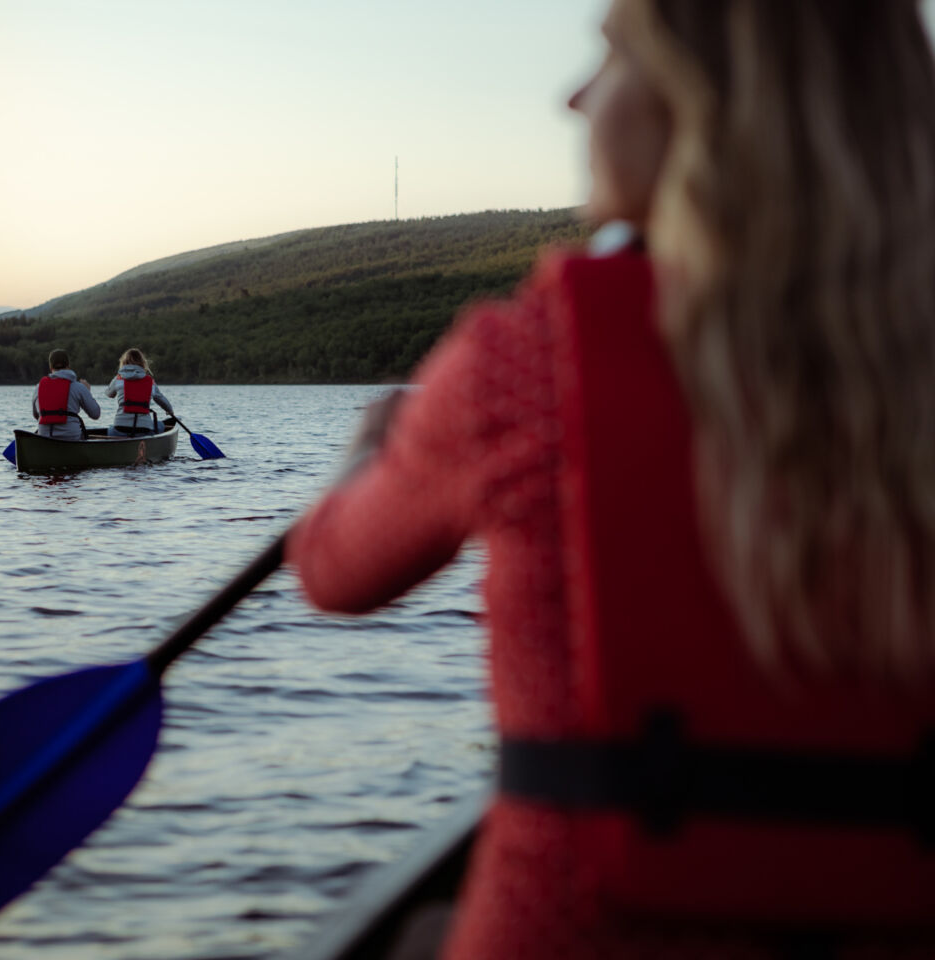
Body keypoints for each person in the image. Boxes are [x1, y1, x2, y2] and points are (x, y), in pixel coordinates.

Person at [288, 1, 935, 957]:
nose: (575, 97)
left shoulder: (523, 362)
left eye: (612, 57)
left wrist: (369, 455)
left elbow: (332, 570)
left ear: (699, 101)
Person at [104, 348, 174, 437]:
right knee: (160, 425)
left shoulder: (118, 379)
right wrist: (170, 410)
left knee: (110, 429)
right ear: (143, 363)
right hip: (144, 429)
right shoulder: (150, 382)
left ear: (124, 362)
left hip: (120, 428)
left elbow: (109, 394)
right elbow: (161, 399)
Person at [32, 349, 100, 441]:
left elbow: (36, 416)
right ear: (68, 365)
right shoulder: (78, 387)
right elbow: (95, 414)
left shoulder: (38, 387)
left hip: (45, 437)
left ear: (50, 367)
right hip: (71, 438)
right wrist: (87, 392)